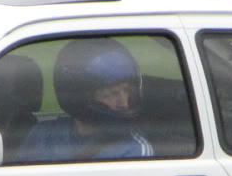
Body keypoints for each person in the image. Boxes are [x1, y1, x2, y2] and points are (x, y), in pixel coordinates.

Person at [14, 39, 154, 162]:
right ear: (79, 96)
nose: (124, 102)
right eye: (110, 94)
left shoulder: (133, 148)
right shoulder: (43, 135)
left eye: (126, 90)